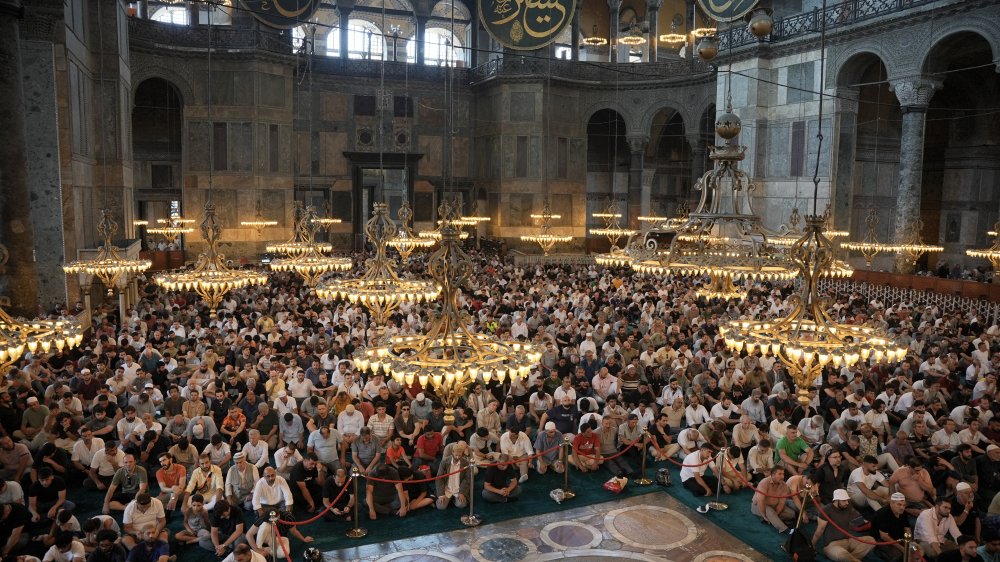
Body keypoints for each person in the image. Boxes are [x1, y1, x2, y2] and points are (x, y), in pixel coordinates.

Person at [812, 488, 874, 562]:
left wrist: (872, 523)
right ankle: (851, 559)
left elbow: (859, 520)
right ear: (836, 500)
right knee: (843, 555)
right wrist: (812, 545)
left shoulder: (848, 507)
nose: (847, 503)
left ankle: (852, 559)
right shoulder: (826, 510)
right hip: (832, 545)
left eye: (847, 500)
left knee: (871, 540)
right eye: (844, 500)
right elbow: (820, 530)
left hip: (849, 540)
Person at [750, 466, 795, 533]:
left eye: (783, 474)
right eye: (779, 474)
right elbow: (760, 501)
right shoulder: (764, 482)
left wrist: (776, 513)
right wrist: (764, 515)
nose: (782, 476)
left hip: (774, 506)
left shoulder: (784, 485)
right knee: (770, 512)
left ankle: (772, 519)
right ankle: (785, 529)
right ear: (773, 475)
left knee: (791, 514)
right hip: (759, 506)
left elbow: (781, 503)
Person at [873, 492, 911, 562]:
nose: (902, 507)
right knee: (898, 555)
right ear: (892, 503)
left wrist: (908, 542)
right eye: (899, 504)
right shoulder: (883, 514)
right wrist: (902, 548)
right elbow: (884, 536)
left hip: (898, 537)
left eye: (904, 505)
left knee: (914, 550)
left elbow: (907, 528)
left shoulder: (902, 512)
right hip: (882, 540)